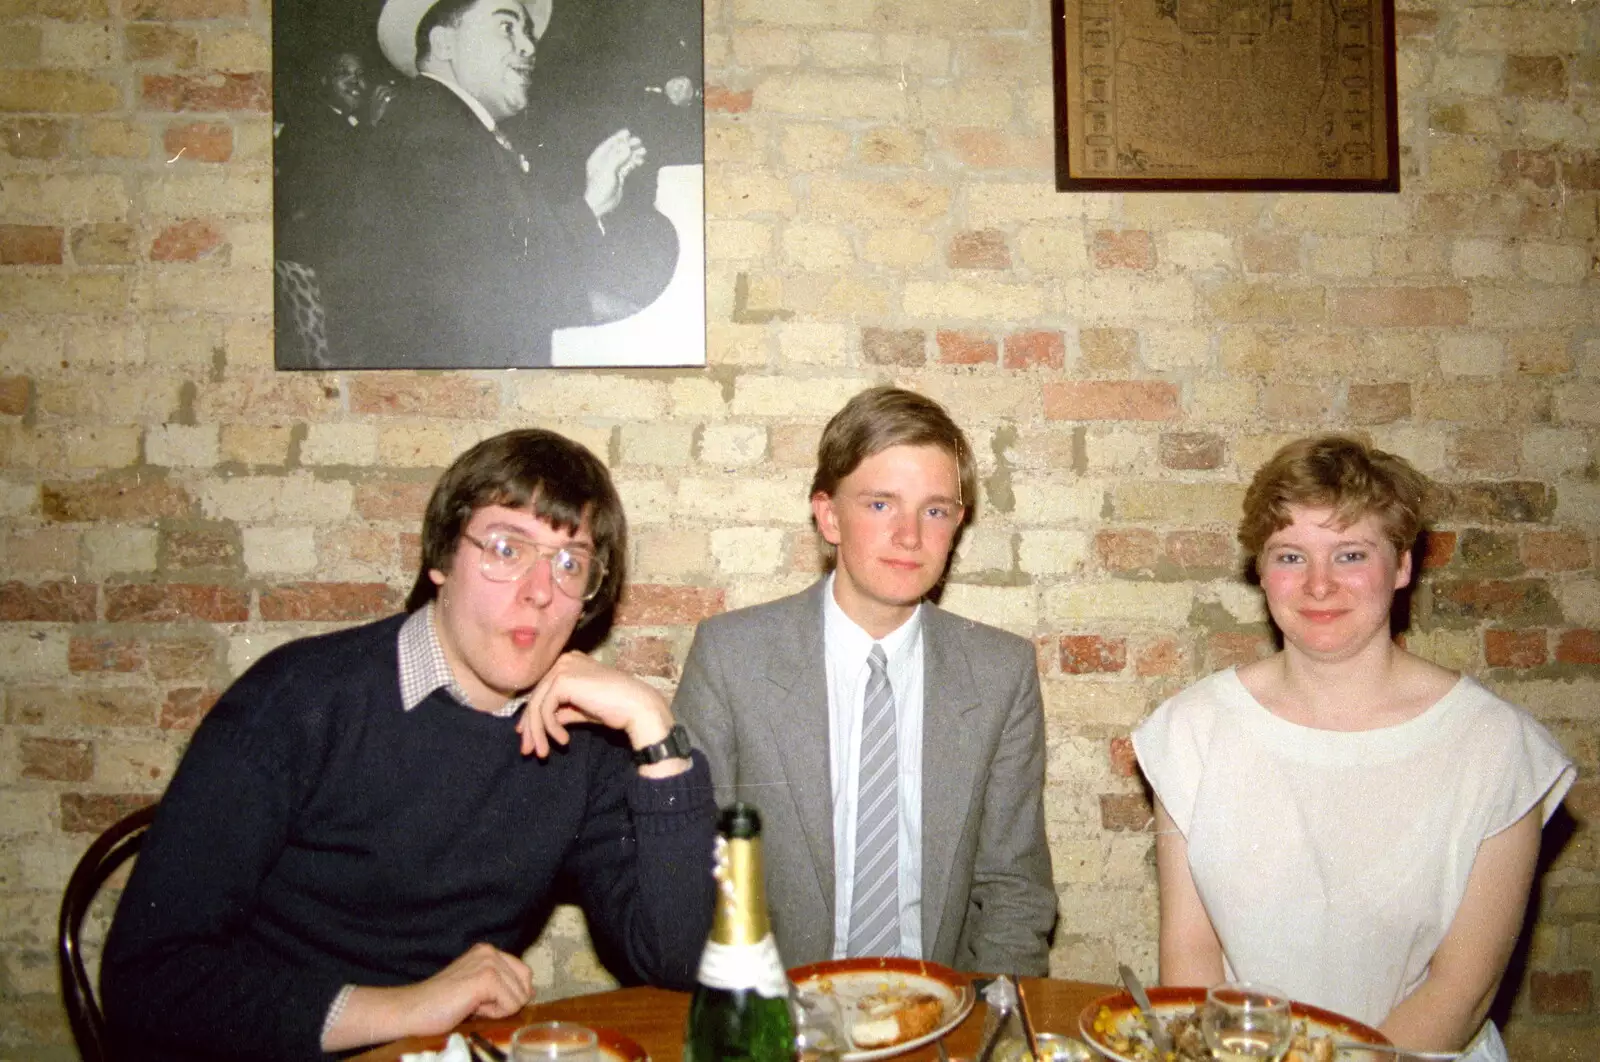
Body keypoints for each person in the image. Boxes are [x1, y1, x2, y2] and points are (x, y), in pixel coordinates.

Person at [102, 429, 717, 1061]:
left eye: (569, 562)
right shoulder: (297, 702)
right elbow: (146, 983)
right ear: (442, 557)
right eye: (507, 548)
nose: (540, 589)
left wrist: (653, 729)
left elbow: (677, 962)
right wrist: (408, 1008)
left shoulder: (582, 743)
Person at [1133, 434, 1575, 1061]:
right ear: (1260, 570)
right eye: (1290, 556)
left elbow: (1460, 994)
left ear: (1402, 567)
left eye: (1349, 555)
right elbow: (1191, 963)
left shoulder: (1496, 748)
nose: (1318, 586)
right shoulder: (1190, 731)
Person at [668, 386, 1057, 975]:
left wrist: (987, 1029)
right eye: (880, 504)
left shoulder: (1000, 673)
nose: (909, 535)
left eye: (935, 510)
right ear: (828, 515)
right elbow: (689, 875)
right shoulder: (733, 658)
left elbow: (1013, 889)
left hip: (938, 1018)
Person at [320, 0, 652, 367]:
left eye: (525, 32)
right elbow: (486, 288)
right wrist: (588, 208)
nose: (528, 46)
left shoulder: (448, 123)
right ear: (445, 44)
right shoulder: (432, 131)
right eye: (507, 27)